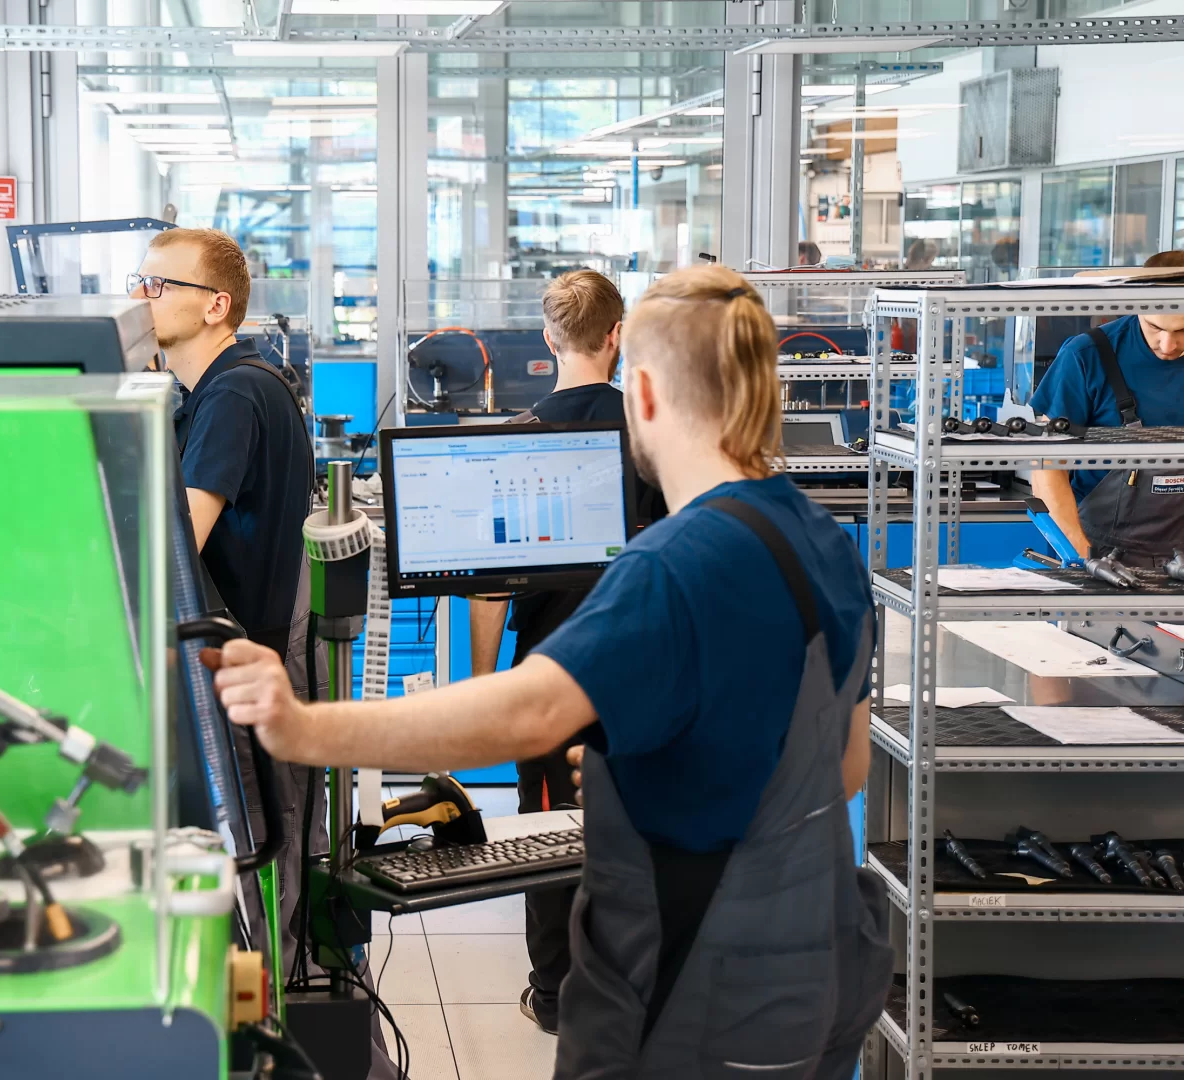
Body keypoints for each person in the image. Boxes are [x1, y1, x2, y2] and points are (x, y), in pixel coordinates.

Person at [208, 264, 893, 1077]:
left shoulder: (672, 564)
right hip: (820, 965)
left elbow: (526, 714)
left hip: (694, 988)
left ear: (642, 392)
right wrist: (655, 773)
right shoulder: (818, 539)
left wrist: (299, 725)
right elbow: (844, 765)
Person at [467, 269, 664, 1036]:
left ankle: (555, 992)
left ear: (548, 340)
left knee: (546, 830)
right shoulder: (651, 432)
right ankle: (641, 987)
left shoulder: (517, 436)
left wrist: (485, 689)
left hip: (550, 671)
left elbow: (491, 588)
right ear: (617, 336)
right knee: (644, 822)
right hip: (641, 668)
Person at [129, 226, 323, 981]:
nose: (140, 297)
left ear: (216, 305)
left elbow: (176, 544)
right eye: (140, 281)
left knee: (255, 871)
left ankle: (263, 1013)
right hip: (247, 657)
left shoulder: (235, 393)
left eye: (158, 285)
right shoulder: (218, 389)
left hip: (247, 667)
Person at [1027, 249, 1184, 565]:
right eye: (1155, 328)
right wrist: (1083, 560)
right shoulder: (1087, 356)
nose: (1168, 345)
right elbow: (1046, 468)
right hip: (1100, 553)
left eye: (1182, 331)